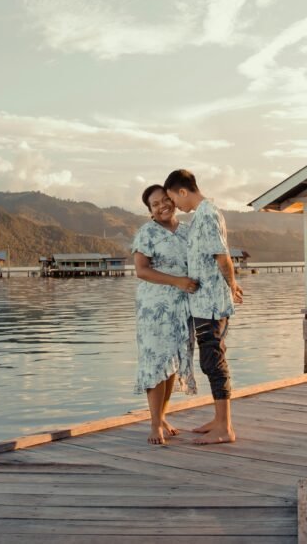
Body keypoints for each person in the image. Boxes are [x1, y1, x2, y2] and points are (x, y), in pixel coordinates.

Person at [163, 169, 243, 445]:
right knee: (210, 361)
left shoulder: (207, 214)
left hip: (210, 303)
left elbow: (223, 257)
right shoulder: (203, 214)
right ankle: (219, 420)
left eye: (174, 199)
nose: (176, 206)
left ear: (182, 191)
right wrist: (231, 284)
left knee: (213, 361)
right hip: (204, 300)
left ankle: (226, 428)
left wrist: (230, 285)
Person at [131, 184, 199, 445]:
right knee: (155, 362)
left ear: (172, 199)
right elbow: (141, 270)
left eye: (164, 200)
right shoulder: (147, 232)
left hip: (183, 306)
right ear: (150, 210)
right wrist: (176, 281)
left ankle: (162, 417)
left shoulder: (187, 231)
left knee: (171, 364)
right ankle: (154, 424)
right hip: (155, 306)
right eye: (155, 204)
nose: (162, 207)